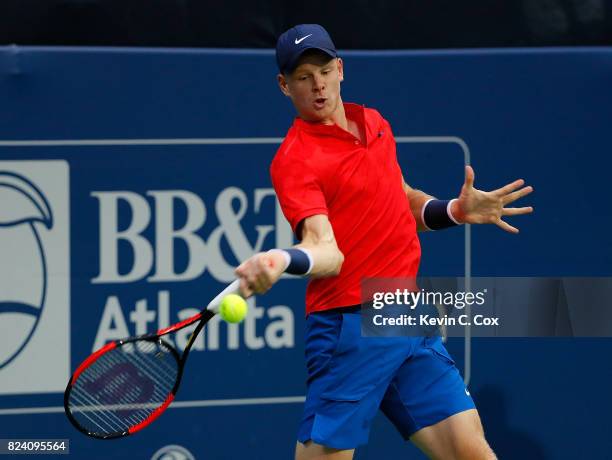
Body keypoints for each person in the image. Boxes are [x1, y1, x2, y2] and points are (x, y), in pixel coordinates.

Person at [235, 24, 533, 460]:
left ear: (340, 69)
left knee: (471, 452)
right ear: (284, 85)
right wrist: (283, 258)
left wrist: (454, 211)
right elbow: (326, 250)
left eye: (323, 70)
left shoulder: (372, 122)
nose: (317, 85)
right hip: (349, 326)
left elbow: (402, 200)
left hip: (405, 313)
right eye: (302, 77)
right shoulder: (295, 161)